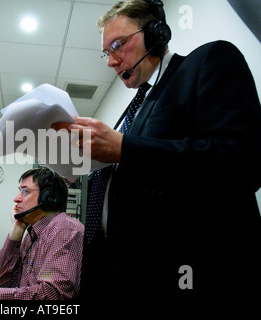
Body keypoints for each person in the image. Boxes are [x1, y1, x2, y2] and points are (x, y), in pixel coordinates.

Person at [52, 0, 261, 297]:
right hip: (127, 274)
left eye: (118, 45)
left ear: (156, 34)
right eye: (105, 53)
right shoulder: (136, 109)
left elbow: (242, 160)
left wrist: (125, 149)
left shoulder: (210, 60)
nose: (111, 60)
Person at [0, 167, 84, 300]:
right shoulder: (33, 233)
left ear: (48, 198)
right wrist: (16, 230)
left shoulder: (64, 229)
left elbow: (54, 295)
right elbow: (2, 282)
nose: (16, 198)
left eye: (25, 191)